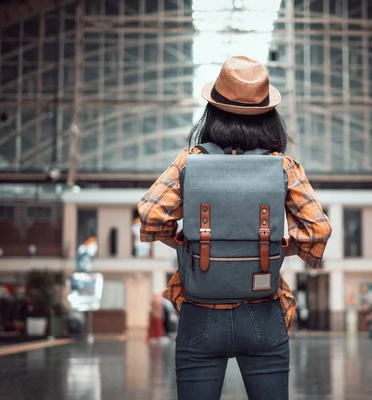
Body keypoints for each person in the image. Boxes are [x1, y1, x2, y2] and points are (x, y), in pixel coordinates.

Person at [138, 56, 331, 400]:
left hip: (200, 314)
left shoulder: (190, 162)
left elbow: (151, 215)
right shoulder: (283, 167)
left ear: (213, 112)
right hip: (263, 312)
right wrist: (276, 246)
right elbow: (318, 229)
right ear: (270, 117)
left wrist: (187, 243)